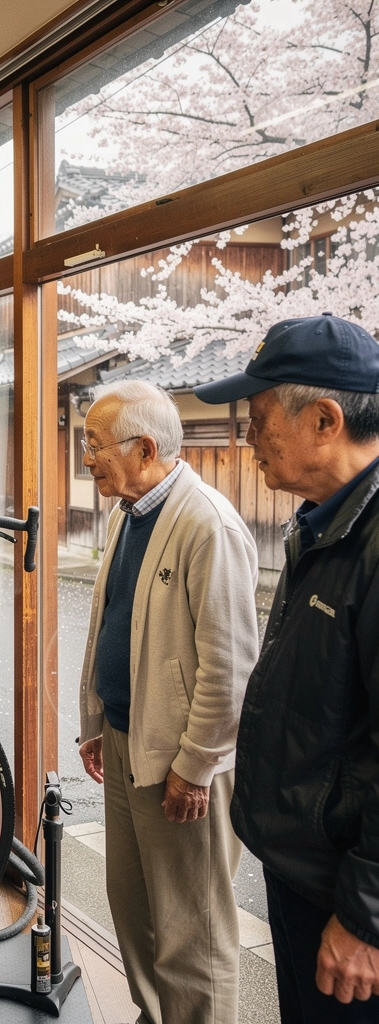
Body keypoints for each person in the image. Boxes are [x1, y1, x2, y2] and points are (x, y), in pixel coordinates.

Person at [194, 313, 379, 1022]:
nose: (248, 437)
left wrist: (366, 918)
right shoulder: (323, 520)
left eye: (259, 416)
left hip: (348, 896)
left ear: (326, 419)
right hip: (303, 869)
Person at [77, 380, 258, 1024]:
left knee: (193, 931)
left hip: (185, 762)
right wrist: (98, 722)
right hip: (130, 742)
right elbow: (113, 627)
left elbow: (231, 665)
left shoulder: (207, 523)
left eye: (95, 445)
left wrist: (197, 765)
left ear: (146, 447)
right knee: (135, 911)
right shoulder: (131, 511)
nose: (87, 458)